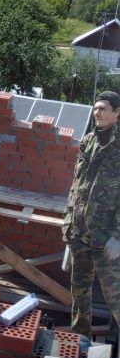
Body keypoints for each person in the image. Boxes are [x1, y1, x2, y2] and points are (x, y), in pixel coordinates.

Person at [67, 91, 120, 338]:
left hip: (105, 240)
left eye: (103, 109)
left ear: (117, 113)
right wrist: (69, 221)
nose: (97, 113)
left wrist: (117, 237)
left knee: (115, 298)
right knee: (79, 294)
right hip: (80, 235)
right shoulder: (88, 141)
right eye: (95, 108)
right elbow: (76, 186)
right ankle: (80, 341)